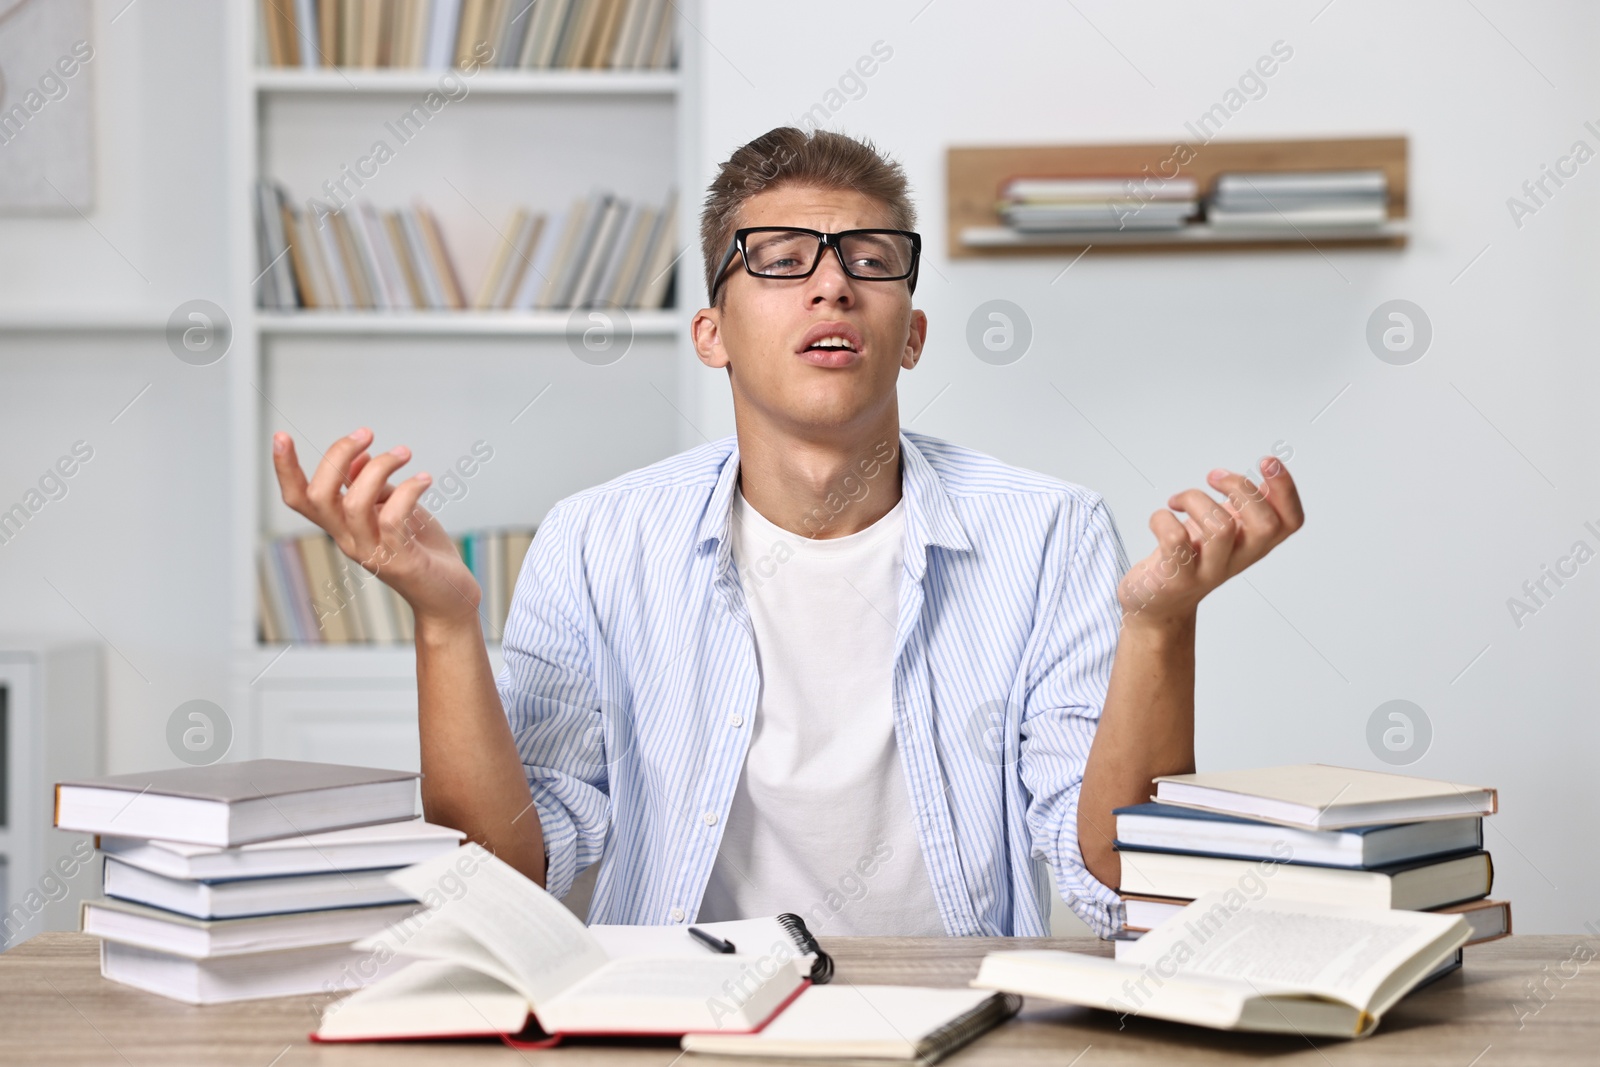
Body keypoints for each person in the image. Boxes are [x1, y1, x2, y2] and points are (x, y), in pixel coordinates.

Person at [270, 126, 1303, 938]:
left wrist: (1160, 629)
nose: (831, 281)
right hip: (669, 1018)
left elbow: (1118, 882)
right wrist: (445, 623)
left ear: (911, 333)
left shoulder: (1050, 532)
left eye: (869, 257)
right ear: (709, 333)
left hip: (950, 1016)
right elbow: (508, 877)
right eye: (778, 258)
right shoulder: (596, 538)